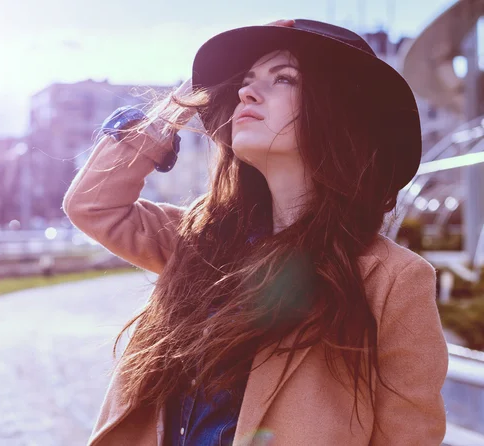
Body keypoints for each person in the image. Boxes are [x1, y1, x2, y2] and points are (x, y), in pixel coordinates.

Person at [63, 18, 448, 446]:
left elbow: (408, 436)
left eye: (283, 79)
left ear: (336, 111)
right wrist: (173, 109)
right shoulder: (201, 240)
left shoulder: (392, 280)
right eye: (244, 82)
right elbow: (93, 206)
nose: (247, 92)